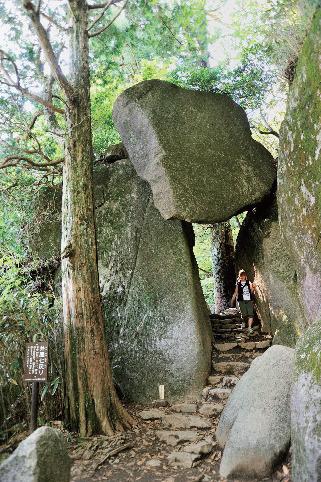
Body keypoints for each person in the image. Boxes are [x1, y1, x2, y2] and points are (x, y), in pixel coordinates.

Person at [231, 269, 256, 334]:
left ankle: (249, 327)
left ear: (245, 276)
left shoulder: (248, 282)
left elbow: (251, 291)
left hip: (249, 300)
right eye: (241, 276)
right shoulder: (238, 283)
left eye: (243, 275)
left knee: (251, 314)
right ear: (239, 276)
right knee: (244, 314)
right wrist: (232, 300)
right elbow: (236, 292)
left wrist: (253, 287)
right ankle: (244, 322)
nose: (242, 277)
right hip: (241, 300)